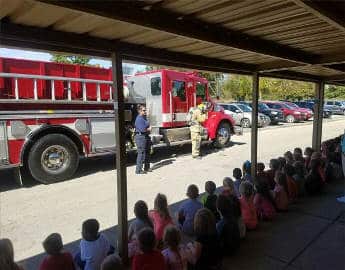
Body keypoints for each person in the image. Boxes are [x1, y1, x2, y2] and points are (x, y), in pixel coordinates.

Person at [134, 105, 152, 174]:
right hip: (140, 137)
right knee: (141, 153)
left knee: (147, 152)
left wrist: (148, 128)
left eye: (145, 110)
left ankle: (147, 168)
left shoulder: (144, 118)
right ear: (139, 111)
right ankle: (138, 170)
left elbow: (147, 125)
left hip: (145, 136)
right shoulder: (139, 119)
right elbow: (143, 129)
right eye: (144, 110)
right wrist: (149, 129)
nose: (145, 111)